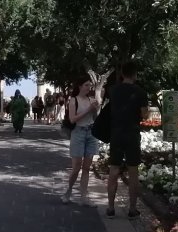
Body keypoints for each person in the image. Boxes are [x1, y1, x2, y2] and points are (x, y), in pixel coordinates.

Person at [106, 61, 149, 218]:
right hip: (132, 134)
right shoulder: (140, 92)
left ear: (122, 74)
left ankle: (111, 208)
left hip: (116, 133)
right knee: (133, 172)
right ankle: (132, 209)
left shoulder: (113, 90)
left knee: (113, 170)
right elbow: (145, 115)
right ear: (135, 74)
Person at [61, 76, 100, 206]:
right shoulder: (74, 100)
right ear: (80, 86)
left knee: (87, 168)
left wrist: (95, 110)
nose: (89, 87)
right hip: (78, 132)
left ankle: (84, 197)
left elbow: (95, 118)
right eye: (86, 85)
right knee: (76, 167)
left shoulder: (92, 100)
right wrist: (88, 110)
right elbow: (72, 119)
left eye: (90, 85)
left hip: (91, 133)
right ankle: (69, 190)